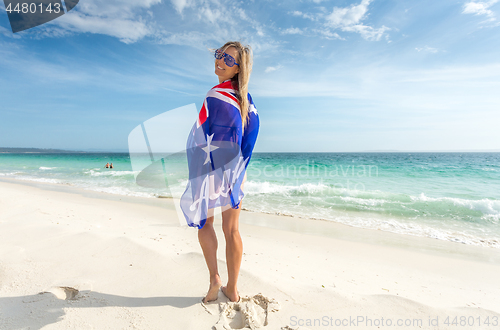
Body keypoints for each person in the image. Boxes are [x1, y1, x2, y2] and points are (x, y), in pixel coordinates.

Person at [181, 41, 259, 303]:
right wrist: (241, 170)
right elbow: (249, 139)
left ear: (238, 69)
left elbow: (200, 135)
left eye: (227, 59)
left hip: (210, 169)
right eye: (218, 55)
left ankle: (215, 278)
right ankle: (233, 289)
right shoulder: (248, 101)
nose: (220, 61)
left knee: (206, 222)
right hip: (234, 171)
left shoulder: (215, 94)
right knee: (232, 230)